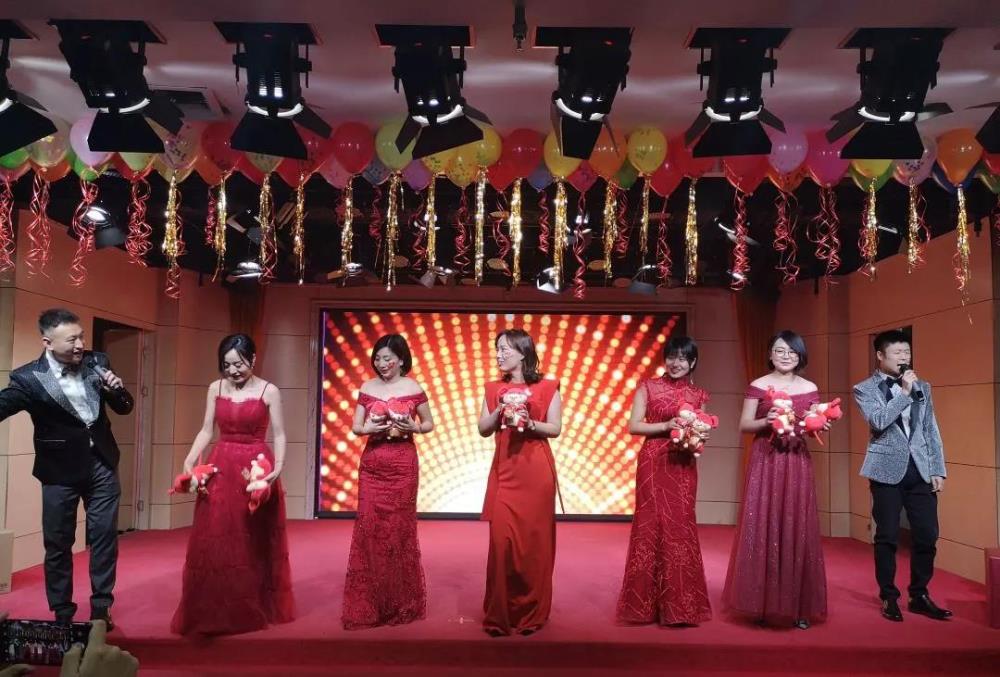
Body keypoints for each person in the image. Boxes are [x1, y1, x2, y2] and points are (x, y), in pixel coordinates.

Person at [0, 309, 133, 629]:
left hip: (102, 464)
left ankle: (101, 606)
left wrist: (116, 390)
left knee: (104, 537)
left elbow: (125, 407)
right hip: (58, 472)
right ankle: (62, 612)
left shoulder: (98, 362)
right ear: (48, 342)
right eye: (72, 339)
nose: (80, 345)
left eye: (81, 336)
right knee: (58, 543)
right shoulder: (28, 378)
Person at [171, 334, 295, 635]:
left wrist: (278, 466)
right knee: (217, 533)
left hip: (255, 468)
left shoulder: (269, 390)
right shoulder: (215, 388)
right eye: (226, 365)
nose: (233, 371)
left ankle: (252, 603)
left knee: (252, 535)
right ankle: (215, 603)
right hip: (222, 465)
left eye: (239, 364)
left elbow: (279, 433)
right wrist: (190, 456)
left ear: (253, 359)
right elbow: (206, 429)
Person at [722, 330, 827, 629]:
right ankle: (761, 603)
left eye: (792, 351)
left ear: (800, 355)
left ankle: (799, 606)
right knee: (763, 525)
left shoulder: (810, 387)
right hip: (766, 459)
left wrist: (820, 423)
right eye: (779, 350)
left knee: (798, 526)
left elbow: (811, 424)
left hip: (796, 460)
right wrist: (765, 421)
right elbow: (744, 425)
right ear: (770, 354)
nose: (785, 356)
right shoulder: (758, 385)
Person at [853, 330, 950, 622]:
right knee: (887, 535)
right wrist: (904, 394)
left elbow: (930, 428)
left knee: (927, 534)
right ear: (880, 356)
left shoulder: (923, 387)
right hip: (885, 470)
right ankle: (889, 596)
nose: (903, 357)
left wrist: (937, 468)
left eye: (907, 352)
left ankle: (919, 594)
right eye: (897, 353)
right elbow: (879, 421)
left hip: (920, 470)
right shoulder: (864, 389)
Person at [617, 336, 712, 627]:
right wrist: (666, 426)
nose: (676, 363)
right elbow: (634, 426)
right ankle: (644, 606)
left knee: (680, 526)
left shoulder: (698, 395)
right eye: (672, 357)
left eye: (683, 358)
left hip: (683, 463)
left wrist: (697, 435)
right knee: (651, 524)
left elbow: (702, 431)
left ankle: (681, 606)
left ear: (693, 362)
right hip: (654, 460)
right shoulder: (648, 387)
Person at [342, 334, 434, 629]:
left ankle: (399, 601)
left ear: (401, 360)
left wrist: (413, 427)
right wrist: (368, 428)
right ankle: (371, 601)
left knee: (398, 530)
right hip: (373, 463)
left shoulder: (413, 387)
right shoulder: (367, 387)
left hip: (403, 463)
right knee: (369, 528)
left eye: (387, 359)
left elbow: (429, 423)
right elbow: (356, 427)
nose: (382, 364)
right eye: (378, 359)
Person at [477, 329, 562, 636]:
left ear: (523, 352)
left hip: (536, 472)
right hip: (505, 471)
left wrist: (529, 421)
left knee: (533, 546)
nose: (499, 354)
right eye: (497, 349)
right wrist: (500, 410)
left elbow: (555, 428)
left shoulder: (548, 387)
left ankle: (532, 613)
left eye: (505, 349)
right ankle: (499, 614)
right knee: (502, 543)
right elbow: (483, 428)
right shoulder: (493, 388)